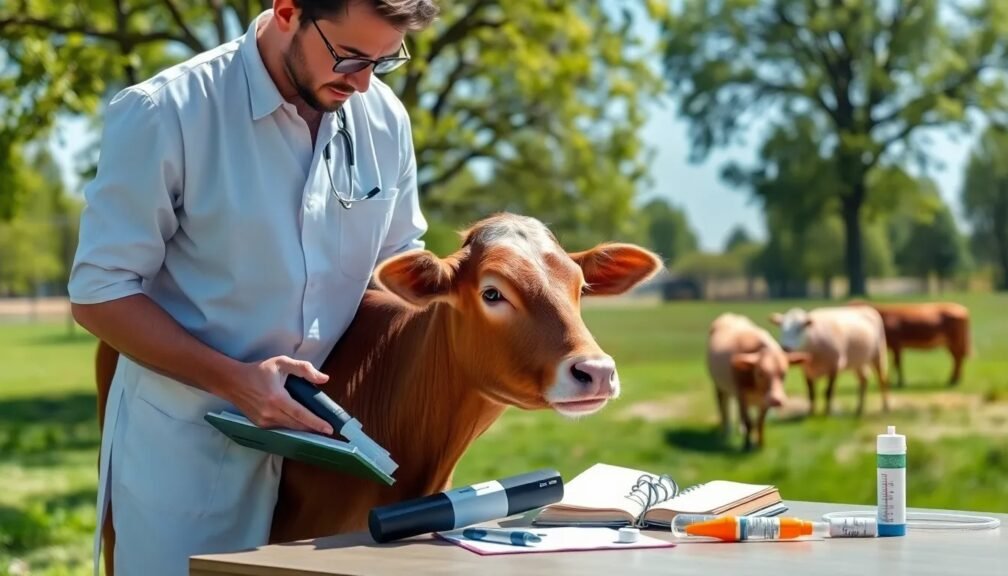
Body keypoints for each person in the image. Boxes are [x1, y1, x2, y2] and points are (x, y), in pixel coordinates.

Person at [67, 1, 439, 574]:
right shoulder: (166, 111)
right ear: (288, 10)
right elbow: (99, 292)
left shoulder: (387, 120)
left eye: (384, 62)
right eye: (349, 57)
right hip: (186, 452)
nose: (363, 84)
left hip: (328, 461)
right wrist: (238, 383)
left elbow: (396, 272)